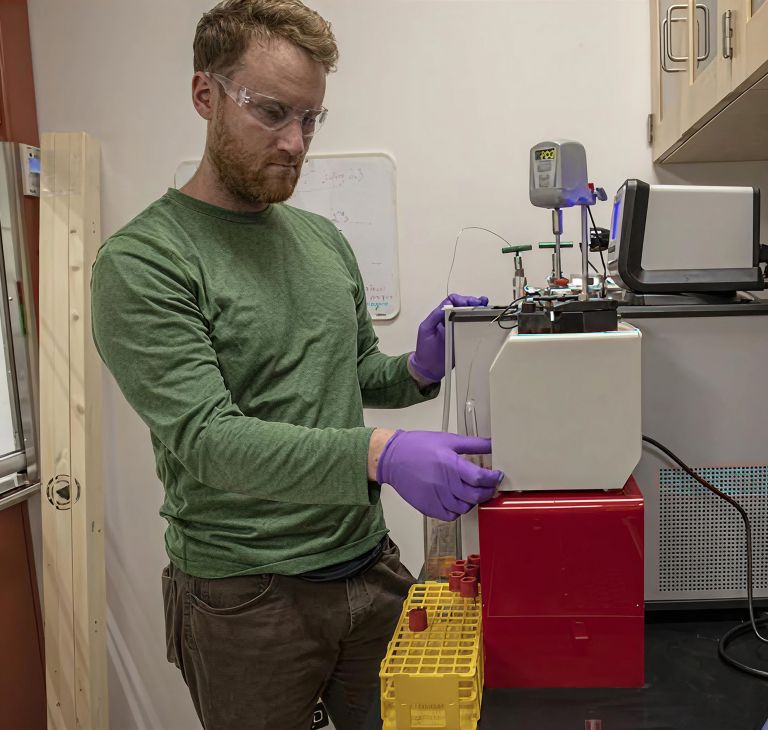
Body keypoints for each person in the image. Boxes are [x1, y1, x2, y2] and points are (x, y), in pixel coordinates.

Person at [90, 1, 503, 728]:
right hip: (247, 600)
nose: (295, 142)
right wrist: (381, 453)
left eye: (311, 119)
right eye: (273, 112)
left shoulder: (320, 241)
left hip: (367, 569)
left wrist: (419, 369)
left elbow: (355, 374)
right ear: (205, 95)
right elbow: (212, 441)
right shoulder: (144, 262)